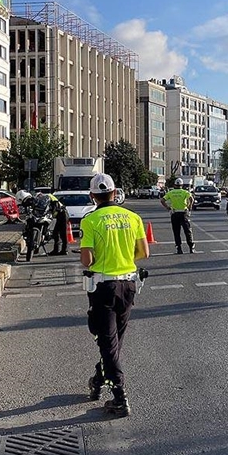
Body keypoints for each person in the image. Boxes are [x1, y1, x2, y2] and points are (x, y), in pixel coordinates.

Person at [80, 173, 149, 417]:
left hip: (103, 287)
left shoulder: (90, 220)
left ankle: (120, 395)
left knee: (107, 342)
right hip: (129, 285)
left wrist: (102, 261)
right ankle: (98, 380)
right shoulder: (133, 217)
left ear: (92, 196)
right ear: (114, 192)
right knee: (114, 341)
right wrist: (124, 261)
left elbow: (87, 259)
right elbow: (144, 252)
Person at [160, 178, 195, 254]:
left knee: (176, 232)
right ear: (181, 185)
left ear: (175, 185)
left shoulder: (171, 193)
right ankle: (191, 247)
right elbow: (191, 198)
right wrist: (189, 206)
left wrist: (168, 208)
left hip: (175, 213)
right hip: (183, 213)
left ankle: (179, 248)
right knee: (187, 231)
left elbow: (162, 200)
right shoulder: (185, 192)